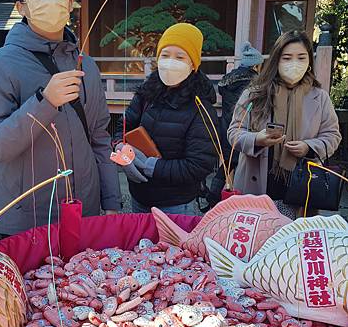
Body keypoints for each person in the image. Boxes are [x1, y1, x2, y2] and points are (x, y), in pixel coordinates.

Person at [0, 0, 121, 238]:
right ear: (21, 5)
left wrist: (111, 201)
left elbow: (100, 139)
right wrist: (45, 102)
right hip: (26, 220)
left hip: (84, 211)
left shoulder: (86, 66)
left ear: (69, 1)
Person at [228, 30, 341, 217]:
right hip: (256, 188)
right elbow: (234, 133)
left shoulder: (319, 97)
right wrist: (257, 139)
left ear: (309, 63)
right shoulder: (254, 94)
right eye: (287, 58)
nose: (294, 64)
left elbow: (332, 135)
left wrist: (309, 147)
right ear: (276, 61)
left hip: (299, 189)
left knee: (292, 243)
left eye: (301, 58)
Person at [117, 22, 218, 215]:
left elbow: (199, 165)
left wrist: (151, 166)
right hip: (139, 197)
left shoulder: (200, 107)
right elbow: (120, 126)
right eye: (165, 55)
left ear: (193, 63)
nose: (170, 62)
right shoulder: (146, 93)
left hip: (176, 205)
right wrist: (120, 150)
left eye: (180, 57)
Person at [207, 41, 263, 206]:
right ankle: (233, 203)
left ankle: (214, 197)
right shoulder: (255, 84)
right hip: (245, 129)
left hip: (227, 129)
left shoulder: (227, 81)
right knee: (241, 169)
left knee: (226, 165)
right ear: (256, 65)